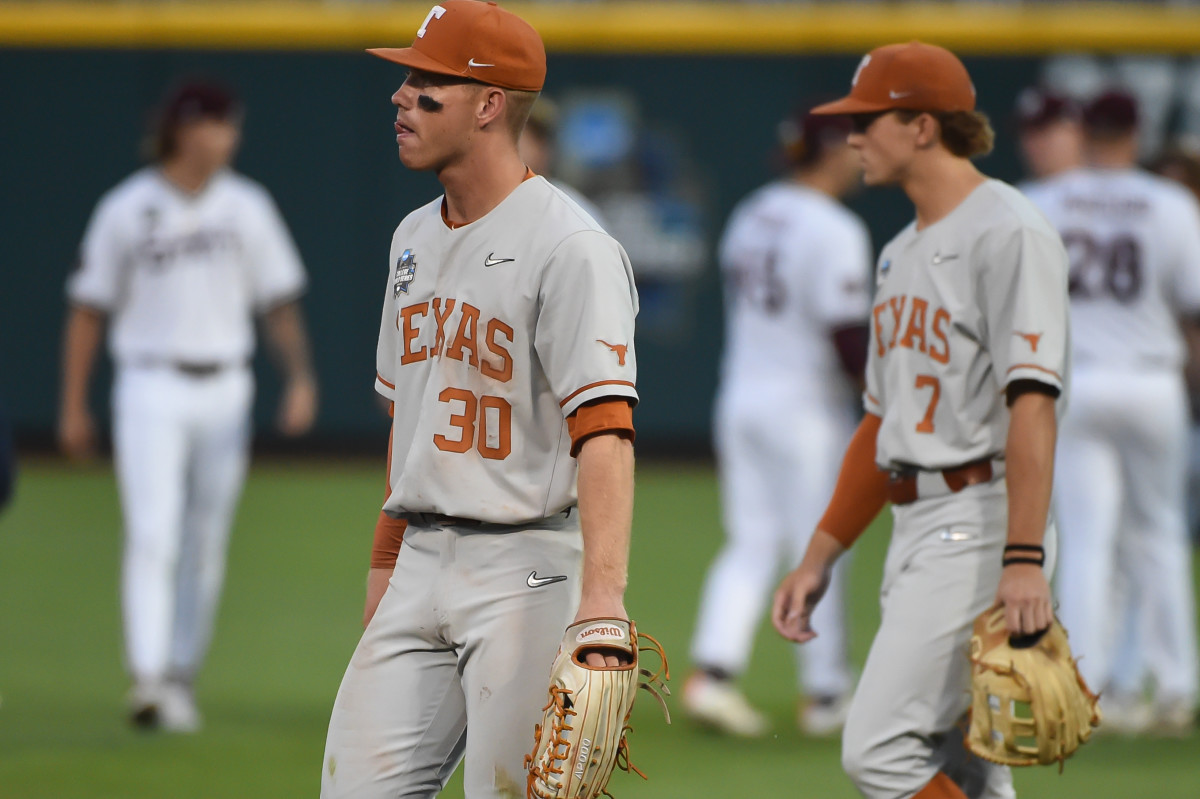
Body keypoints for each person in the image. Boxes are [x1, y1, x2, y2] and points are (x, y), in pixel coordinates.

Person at [321, 3, 639, 797]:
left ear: (490, 104)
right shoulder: (409, 237)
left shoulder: (572, 246)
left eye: (428, 82)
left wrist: (602, 599)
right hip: (419, 559)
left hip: (524, 568)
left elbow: (604, 430)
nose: (400, 95)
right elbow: (409, 421)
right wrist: (384, 562)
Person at [772, 42, 1070, 799]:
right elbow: (881, 421)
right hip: (917, 527)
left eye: (870, 119)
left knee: (878, 750)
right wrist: (819, 555)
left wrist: (1025, 553)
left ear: (925, 126)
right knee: (967, 766)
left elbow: (1032, 402)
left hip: (982, 518)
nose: (853, 138)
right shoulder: (899, 251)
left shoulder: (1010, 230)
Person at [58, 79, 316, 732]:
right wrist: (72, 404)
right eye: (218, 124)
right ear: (185, 130)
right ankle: (146, 676)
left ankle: (179, 674)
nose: (229, 136)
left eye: (232, 124)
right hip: (149, 380)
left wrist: (300, 377)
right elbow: (88, 309)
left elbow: (278, 301)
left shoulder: (247, 205)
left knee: (205, 540)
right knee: (152, 531)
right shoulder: (128, 206)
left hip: (227, 383)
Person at [683, 108, 870, 738]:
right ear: (828, 151)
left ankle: (712, 674)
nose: (857, 153)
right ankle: (824, 695)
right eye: (850, 143)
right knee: (821, 548)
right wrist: (885, 403)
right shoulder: (834, 227)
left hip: (741, 397)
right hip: (803, 409)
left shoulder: (752, 211)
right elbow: (847, 337)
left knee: (751, 542)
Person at [1024, 90, 1200, 737]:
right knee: (1160, 535)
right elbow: (1194, 307)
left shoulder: (1045, 200)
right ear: (1137, 130)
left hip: (1076, 384)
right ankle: (1176, 687)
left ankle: (1088, 686)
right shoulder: (1171, 203)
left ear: (1082, 130)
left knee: (1087, 541)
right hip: (1153, 382)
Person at [1013, 87, 1083, 187]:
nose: (1036, 143)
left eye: (1044, 131)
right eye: (1028, 134)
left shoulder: (1108, 184)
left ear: (1076, 130)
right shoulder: (1014, 197)